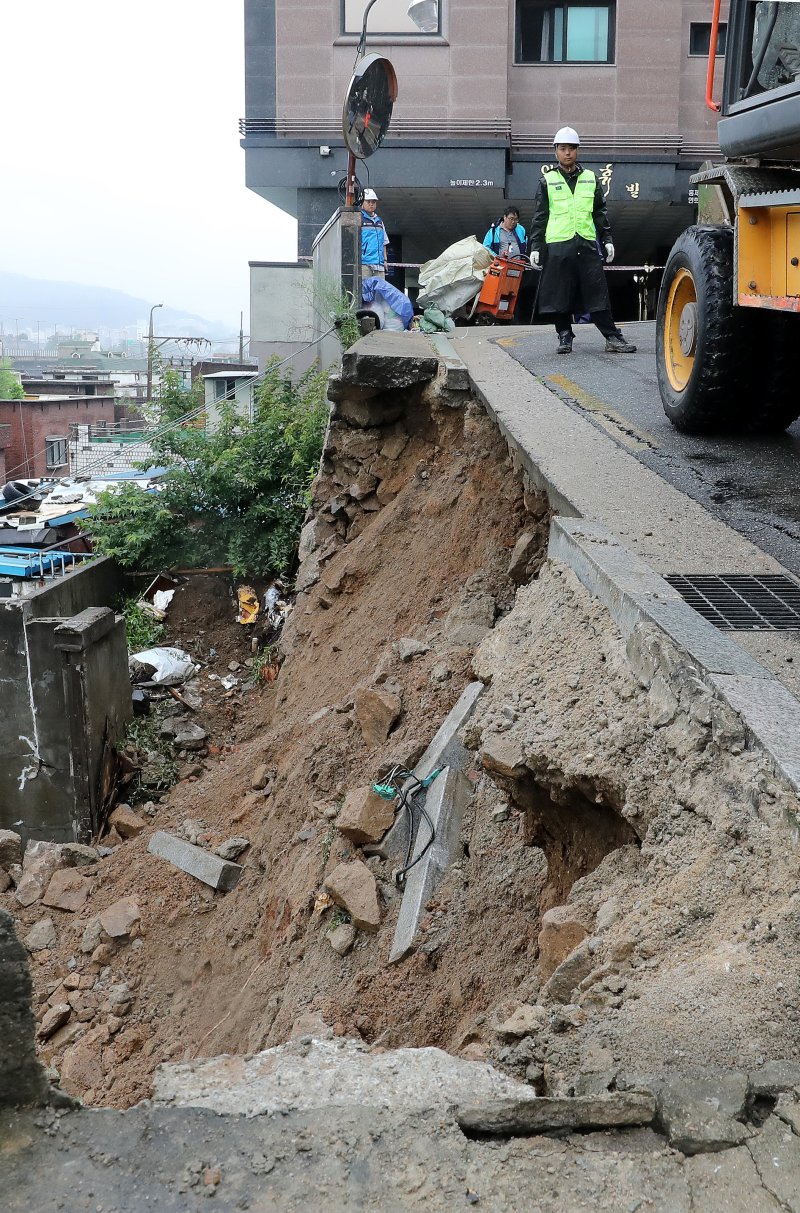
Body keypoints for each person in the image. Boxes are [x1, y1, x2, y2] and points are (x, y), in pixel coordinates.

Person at [529, 127, 636, 354]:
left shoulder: (590, 179)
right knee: (559, 293)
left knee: (596, 292)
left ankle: (612, 337)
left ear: (577, 151)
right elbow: (540, 217)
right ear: (556, 151)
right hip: (558, 245)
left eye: (571, 148)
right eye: (563, 148)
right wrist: (536, 247)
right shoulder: (546, 181)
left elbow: (599, 213)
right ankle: (564, 336)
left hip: (586, 244)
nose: (567, 153)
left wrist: (607, 239)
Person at [360, 188, 389, 280]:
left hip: (379, 265)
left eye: (373, 201)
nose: (371, 204)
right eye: (368, 201)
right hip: (364, 264)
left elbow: (384, 243)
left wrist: (385, 260)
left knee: (379, 292)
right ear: (362, 202)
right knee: (365, 292)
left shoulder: (379, 222)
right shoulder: (358, 219)